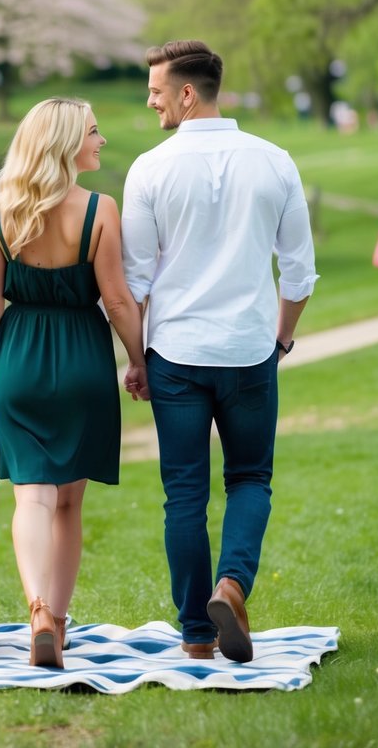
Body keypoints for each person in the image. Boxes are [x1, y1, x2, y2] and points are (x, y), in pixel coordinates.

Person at [121, 40, 318, 663]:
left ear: (187, 92)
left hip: (176, 355)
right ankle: (231, 586)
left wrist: (135, 356)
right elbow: (299, 273)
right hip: (247, 351)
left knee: (184, 494)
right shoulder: (275, 161)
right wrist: (281, 338)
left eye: (156, 90)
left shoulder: (149, 169)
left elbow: (133, 284)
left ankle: (196, 636)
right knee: (250, 479)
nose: (150, 100)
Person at [0, 97, 148, 669]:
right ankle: (58, 625)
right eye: (94, 132)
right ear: (65, 143)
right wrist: (138, 361)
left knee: (31, 498)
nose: (101, 141)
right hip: (82, 363)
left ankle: (38, 611)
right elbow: (116, 298)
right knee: (69, 502)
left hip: (17, 363)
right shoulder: (99, 210)